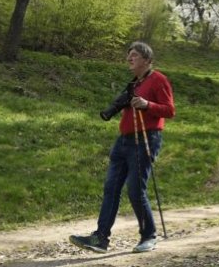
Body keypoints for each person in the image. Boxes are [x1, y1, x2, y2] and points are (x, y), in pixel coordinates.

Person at [69, 41, 175, 254]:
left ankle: (148, 236)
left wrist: (147, 105)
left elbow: (169, 110)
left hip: (145, 139)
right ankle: (100, 238)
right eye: (129, 55)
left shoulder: (158, 79)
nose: (129, 59)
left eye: (134, 55)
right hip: (123, 141)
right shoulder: (134, 83)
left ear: (146, 59)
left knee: (135, 190)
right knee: (111, 188)